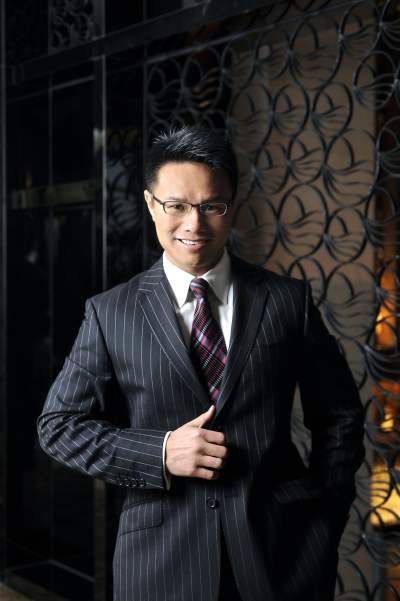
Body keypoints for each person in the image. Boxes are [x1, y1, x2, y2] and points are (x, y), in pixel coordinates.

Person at [38, 125, 365, 601]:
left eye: (212, 206)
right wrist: (160, 453)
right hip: (161, 562)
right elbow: (59, 426)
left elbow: (340, 417)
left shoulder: (287, 300)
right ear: (151, 204)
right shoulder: (111, 313)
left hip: (283, 555)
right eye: (177, 206)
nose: (194, 224)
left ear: (232, 204)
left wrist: (323, 520)